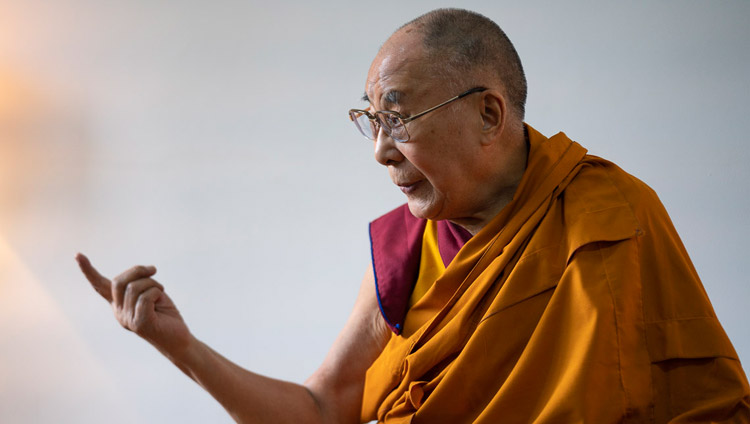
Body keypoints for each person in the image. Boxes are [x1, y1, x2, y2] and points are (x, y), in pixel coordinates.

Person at [76, 8, 750, 423]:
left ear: (489, 114)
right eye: (371, 120)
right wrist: (182, 349)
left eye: (398, 119)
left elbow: (699, 406)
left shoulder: (614, 216)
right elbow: (321, 410)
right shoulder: (406, 252)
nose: (378, 151)